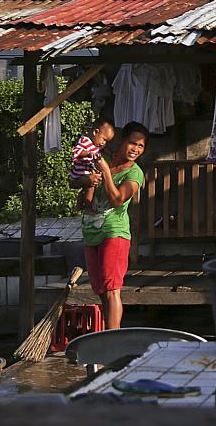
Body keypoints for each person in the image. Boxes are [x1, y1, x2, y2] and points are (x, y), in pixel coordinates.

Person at [80, 121, 146, 330]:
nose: (135, 149)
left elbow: (118, 200)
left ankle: (112, 338)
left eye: (141, 146)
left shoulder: (134, 173)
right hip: (92, 233)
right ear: (121, 141)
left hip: (114, 233)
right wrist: (87, 183)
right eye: (132, 143)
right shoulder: (103, 160)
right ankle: (109, 334)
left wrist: (106, 172)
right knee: (100, 290)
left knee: (112, 289)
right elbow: (83, 203)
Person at [68, 116, 115, 208]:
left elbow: (104, 149)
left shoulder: (97, 145)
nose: (103, 143)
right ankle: (88, 206)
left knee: (88, 188)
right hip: (81, 171)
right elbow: (76, 152)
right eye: (104, 139)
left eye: (106, 141)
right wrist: (88, 153)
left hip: (88, 170)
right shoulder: (85, 141)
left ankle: (81, 204)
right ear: (95, 132)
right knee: (91, 187)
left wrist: (111, 154)